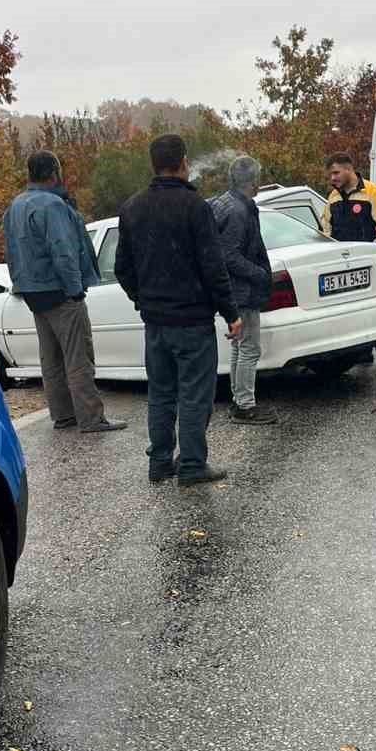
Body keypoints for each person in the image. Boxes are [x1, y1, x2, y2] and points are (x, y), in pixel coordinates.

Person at [114, 135, 242, 487]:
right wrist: (231, 312)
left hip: (155, 322)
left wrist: (143, 299)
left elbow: (122, 267)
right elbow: (213, 267)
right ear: (183, 162)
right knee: (194, 395)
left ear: (153, 164)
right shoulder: (195, 207)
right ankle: (191, 465)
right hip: (192, 321)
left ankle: (159, 462)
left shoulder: (132, 207)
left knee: (161, 392)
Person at [2, 151, 126, 434]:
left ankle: (63, 415)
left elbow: (10, 251)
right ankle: (91, 419)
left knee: (51, 358)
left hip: (33, 292)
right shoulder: (52, 205)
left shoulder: (16, 205)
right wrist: (75, 291)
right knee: (78, 356)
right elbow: (63, 252)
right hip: (59, 291)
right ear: (54, 173)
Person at [209, 155, 277, 425]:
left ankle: (240, 400)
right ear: (254, 184)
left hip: (231, 290)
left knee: (240, 346)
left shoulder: (222, 203)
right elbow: (229, 255)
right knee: (249, 348)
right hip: (243, 290)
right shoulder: (239, 211)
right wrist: (259, 274)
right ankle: (245, 406)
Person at [321, 153, 376, 366]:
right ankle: (362, 350)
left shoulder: (372, 192)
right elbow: (326, 229)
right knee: (351, 308)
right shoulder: (333, 197)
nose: (332, 178)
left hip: (368, 260)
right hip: (342, 262)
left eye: (335, 173)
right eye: (330, 174)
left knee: (375, 305)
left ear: (349, 169)